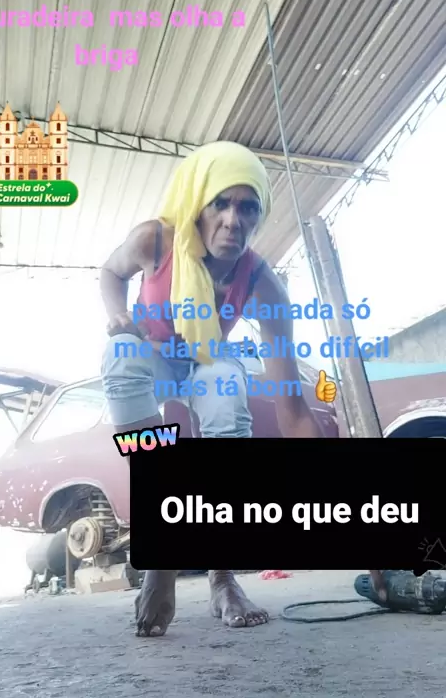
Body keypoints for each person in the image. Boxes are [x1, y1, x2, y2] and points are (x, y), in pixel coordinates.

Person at [100, 140, 324, 638]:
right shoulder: (154, 242)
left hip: (208, 358)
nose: (232, 220)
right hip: (154, 354)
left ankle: (223, 578)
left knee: (226, 397)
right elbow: (111, 273)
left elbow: (292, 408)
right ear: (197, 206)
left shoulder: (262, 281)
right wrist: (117, 314)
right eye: (220, 203)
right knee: (120, 356)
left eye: (248, 208)